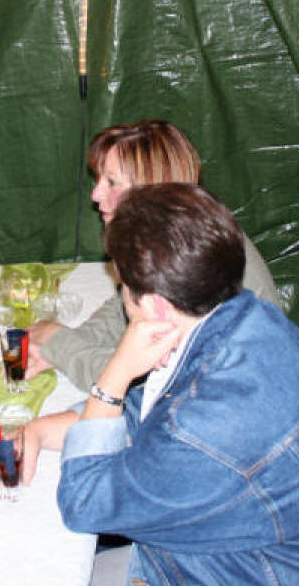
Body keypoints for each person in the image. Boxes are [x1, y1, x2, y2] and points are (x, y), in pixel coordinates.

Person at [0, 183, 299, 586]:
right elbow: (149, 409)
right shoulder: (245, 319)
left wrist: (115, 374)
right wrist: (39, 430)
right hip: (258, 558)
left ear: (154, 307)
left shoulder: (209, 425)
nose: (122, 299)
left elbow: (85, 502)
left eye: (124, 289)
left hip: (260, 575)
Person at [29, 119, 280, 389]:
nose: (96, 194)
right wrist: (75, 341)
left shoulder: (191, 258)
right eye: (99, 179)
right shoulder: (179, 233)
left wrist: (61, 343)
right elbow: (128, 307)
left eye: (112, 182)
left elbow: (142, 386)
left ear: (152, 189)